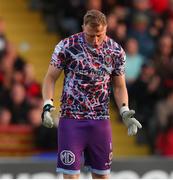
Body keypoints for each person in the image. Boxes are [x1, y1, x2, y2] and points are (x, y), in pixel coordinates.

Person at [41, 9, 142, 179]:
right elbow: (50, 78)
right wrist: (47, 104)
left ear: (106, 29)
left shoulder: (116, 52)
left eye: (99, 35)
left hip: (100, 120)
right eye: (90, 35)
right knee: (71, 176)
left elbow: (119, 86)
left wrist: (124, 110)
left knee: (102, 176)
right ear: (83, 28)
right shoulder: (67, 46)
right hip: (71, 119)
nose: (95, 41)